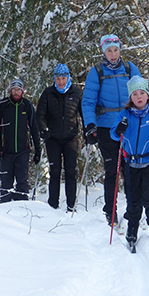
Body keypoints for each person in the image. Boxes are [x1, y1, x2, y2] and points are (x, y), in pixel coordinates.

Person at [81, 34, 140, 225]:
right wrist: (90, 125)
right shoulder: (96, 72)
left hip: (129, 126)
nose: (113, 54)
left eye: (115, 50)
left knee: (130, 170)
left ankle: (134, 211)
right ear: (103, 52)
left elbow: (141, 95)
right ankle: (111, 211)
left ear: (120, 50)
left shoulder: (130, 69)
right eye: (109, 51)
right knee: (112, 170)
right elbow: (88, 101)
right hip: (106, 127)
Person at [110, 76, 149, 253]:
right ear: (130, 97)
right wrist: (119, 129)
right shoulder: (124, 114)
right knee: (133, 199)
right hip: (131, 162)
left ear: (147, 95)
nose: (138, 97)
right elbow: (114, 135)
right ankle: (132, 233)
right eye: (135, 94)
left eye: (142, 93)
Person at [36, 63, 83, 212]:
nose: (61, 82)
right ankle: (53, 206)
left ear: (68, 77)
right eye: (58, 79)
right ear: (54, 79)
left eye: (63, 78)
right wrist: (43, 129)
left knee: (70, 172)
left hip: (70, 138)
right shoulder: (48, 93)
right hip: (53, 138)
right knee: (54, 171)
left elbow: (84, 114)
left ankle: (71, 206)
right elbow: (40, 114)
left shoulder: (76, 93)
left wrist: (89, 130)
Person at [0, 78, 41, 203]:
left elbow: (34, 128)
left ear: (23, 91)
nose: (16, 92)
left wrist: (37, 150)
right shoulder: (3, 105)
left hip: (22, 151)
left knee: (22, 182)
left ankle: (22, 210)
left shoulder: (27, 105)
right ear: (10, 90)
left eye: (19, 89)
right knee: (6, 183)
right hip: (6, 152)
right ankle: (5, 211)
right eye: (14, 89)